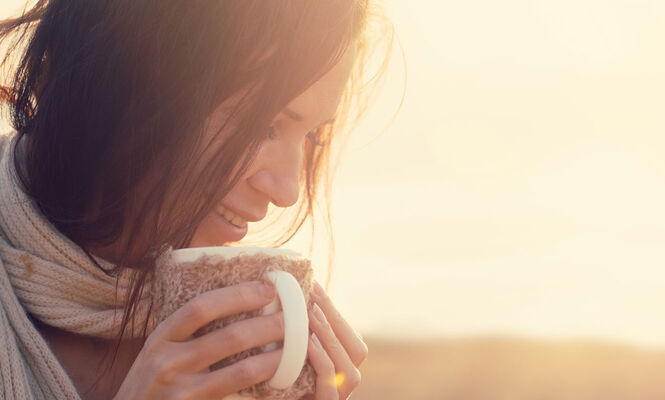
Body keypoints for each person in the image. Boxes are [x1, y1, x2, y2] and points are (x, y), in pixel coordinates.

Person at [0, 1, 390, 399]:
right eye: (265, 126)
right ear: (133, 76)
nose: (288, 191)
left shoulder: (235, 357)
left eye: (311, 136)